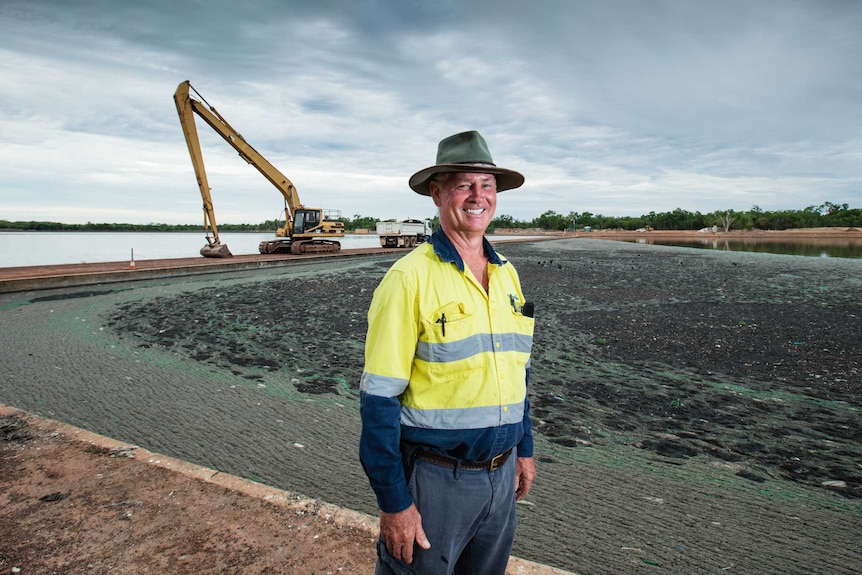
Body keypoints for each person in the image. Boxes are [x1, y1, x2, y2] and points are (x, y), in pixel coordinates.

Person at [359, 130, 536, 574]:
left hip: (502, 477)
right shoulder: (407, 279)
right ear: (437, 194)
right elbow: (378, 400)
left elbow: (519, 372)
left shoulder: (507, 275)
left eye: (487, 185)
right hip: (436, 482)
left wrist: (525, 447)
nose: (478, 197)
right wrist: (395, 503)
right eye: (463, 185)